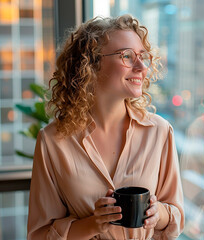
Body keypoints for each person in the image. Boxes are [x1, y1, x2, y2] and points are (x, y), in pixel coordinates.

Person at [27, 15, 184, 240]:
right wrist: (94, 224)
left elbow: (176, 215)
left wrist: (159, 214)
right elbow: (39, 234)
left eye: (142, 56)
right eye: (127, 56)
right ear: (90, 64)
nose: (141, 67)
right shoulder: (53, 140)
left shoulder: (159, 131)